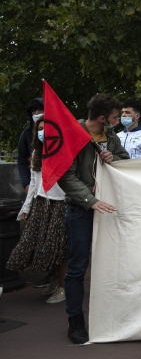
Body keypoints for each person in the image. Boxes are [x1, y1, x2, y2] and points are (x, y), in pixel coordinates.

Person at [57, 94, 130, 344]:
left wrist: (115, 159)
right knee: (77, 267)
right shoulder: (72, 134)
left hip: (106, 206)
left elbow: (125, 160)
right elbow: (65, 176)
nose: (118, 121)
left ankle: (110, 314)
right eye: (114, 117)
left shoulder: (111, 137)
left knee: (112, 262)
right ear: (102, 118)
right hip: (81, 210)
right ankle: (75, 320)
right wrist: (91, 201)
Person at [6, 116, 68, 304]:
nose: (42, 132)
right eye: (39, 128)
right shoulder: (36, 153)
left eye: (46, 129)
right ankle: (55, 280)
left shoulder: (63, 151)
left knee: (59, 248)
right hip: (41, 203)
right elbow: (33, 182)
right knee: (42, 246)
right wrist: (27, 207)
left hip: (60, 203)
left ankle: (63, 288)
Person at [16, 97, 53, 289]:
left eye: (40, 109)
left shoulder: (56, 132)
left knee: (54, 237)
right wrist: (26, 185)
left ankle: (57, 277)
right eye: (34, 111)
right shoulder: (26, 134)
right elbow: (23, 161)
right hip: (36, 191)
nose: (37, 114)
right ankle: (49, 274)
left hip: (55, 192)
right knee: (39, 236)